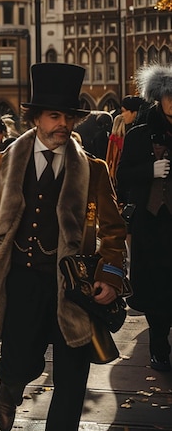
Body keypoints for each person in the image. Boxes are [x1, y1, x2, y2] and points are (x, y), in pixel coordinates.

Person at [0, 63, 127, 431]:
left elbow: (115, 230)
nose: (63, 125)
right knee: (19, 363)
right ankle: (8, 390)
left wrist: (111, 275)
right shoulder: (3, 165)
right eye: (54, 116)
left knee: (72, 379)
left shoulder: (94, 169)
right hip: (22, 283)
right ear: (36, 118)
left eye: (69, 117)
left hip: (74, 288)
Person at [117, 64, 172, 373]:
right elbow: (122, 176)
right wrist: (148, 172)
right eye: (169, 95)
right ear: (158, 98)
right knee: (156, 290)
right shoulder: (139, 134)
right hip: (151, 227)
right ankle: (159, 347)